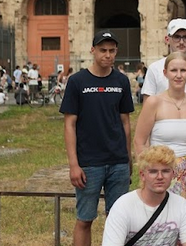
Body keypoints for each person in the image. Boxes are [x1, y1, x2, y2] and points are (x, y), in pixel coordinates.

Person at [61, 30, 135, 246]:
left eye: (112, 51)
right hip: (89, 163)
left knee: (119, 219)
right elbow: (69, 124)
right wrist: (74, 164)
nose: (108, 55)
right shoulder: (77, 81)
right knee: (85, 219)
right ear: (93, 50)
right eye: (103, 50)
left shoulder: (121, 81)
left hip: (118, 161)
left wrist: (128, 157)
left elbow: (125, 122)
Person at [134, 52, 186, 215]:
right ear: (165, 72)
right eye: (174, 70)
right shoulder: (154, 102)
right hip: (161, 171)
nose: (179, 75)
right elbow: (139, 141)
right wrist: (149, 173)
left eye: (183, 70)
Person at [102, 146, 186, 246]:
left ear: (173, 174)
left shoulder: (182, 206)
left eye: (165, 171)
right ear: (142, 175)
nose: (160, 177)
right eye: (153, 171)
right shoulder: (123, 206)